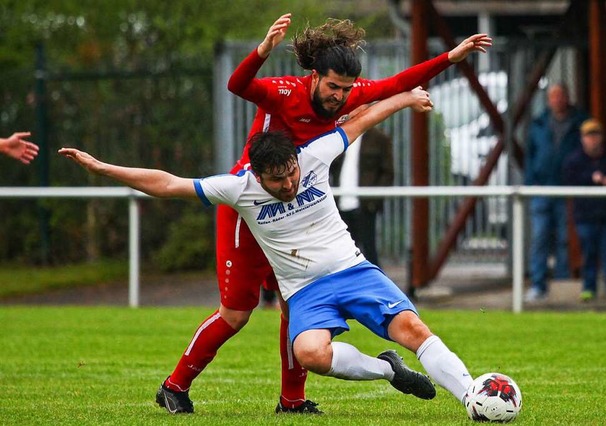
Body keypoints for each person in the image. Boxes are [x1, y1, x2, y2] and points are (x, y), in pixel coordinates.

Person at [59, 87, 477, 416]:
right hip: (305, 291)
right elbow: (167, 184)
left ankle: (473, 397)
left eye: (292, 172)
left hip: (354, 270)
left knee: (413, 329)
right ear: (257, 175)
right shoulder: (238, 188)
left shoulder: (314, 156)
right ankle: (389, 370)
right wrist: (103, 169)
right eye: (277, 180)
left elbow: (364, 118)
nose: (289, 184)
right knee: (310, 353)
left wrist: (406, 98)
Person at [158, 13, 491, 415]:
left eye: (347, 89)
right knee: (236, 313)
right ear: (314, 77)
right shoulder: (283, 93)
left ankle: (292, 400)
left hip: (293, 208)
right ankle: (175, 386)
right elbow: (237, 85)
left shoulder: (346, 98)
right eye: (333, 86)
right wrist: (263, 50)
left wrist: (451, 58)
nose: (340, 97)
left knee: (293, 305)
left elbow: (396, 84)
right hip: (250, 206)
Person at [524, 83, 589, 302]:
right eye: (553, 96)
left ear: (567, 98)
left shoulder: (579, 122)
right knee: (540, 237)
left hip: (567, 189)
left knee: (564, 237)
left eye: (561, 96)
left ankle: (562, 284)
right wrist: (531, 183)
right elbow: (530, 156)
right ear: (549, 100)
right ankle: (538, 283)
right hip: (542, 188)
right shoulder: (539, 123)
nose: (557, 100)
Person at [562, 118, 606, 303]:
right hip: (585, 215)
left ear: (601, 137)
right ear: (582, 138)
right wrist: (591, 178)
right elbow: (569, 180)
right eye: (589, 135)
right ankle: (588, 289)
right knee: (589, 254)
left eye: (595, 135)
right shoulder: (574, 161)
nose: (593, 139)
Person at [330, 126, 394, 267]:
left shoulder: (378, 138)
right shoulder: (341, 136)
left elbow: (388, 172)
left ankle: (375, 287)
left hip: (365, 205)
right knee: (342, 253)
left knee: (368, 250)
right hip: (340, 204)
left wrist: (373, 201)